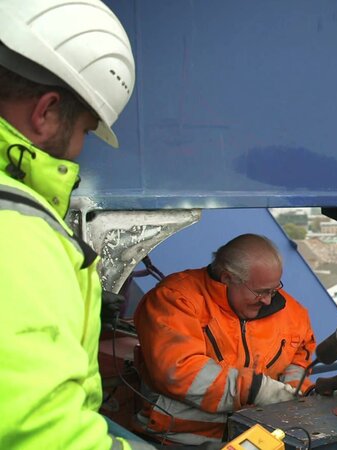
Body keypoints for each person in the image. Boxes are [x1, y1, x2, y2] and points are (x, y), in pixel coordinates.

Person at [0, 0, 149, 449]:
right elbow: (38, 431)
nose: (82, 148)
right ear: (45, 111)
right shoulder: (18, 230)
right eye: (86, 129)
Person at [133, 233, 317, 445]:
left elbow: (298, 361)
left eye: (274, 290)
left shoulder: (294, 314)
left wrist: (295, 392)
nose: (267, 301)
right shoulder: (174, 299)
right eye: (260, 292)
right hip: (179, 439)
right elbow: (180, 371)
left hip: (256, 439)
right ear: (227, 277)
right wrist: (255, 389)